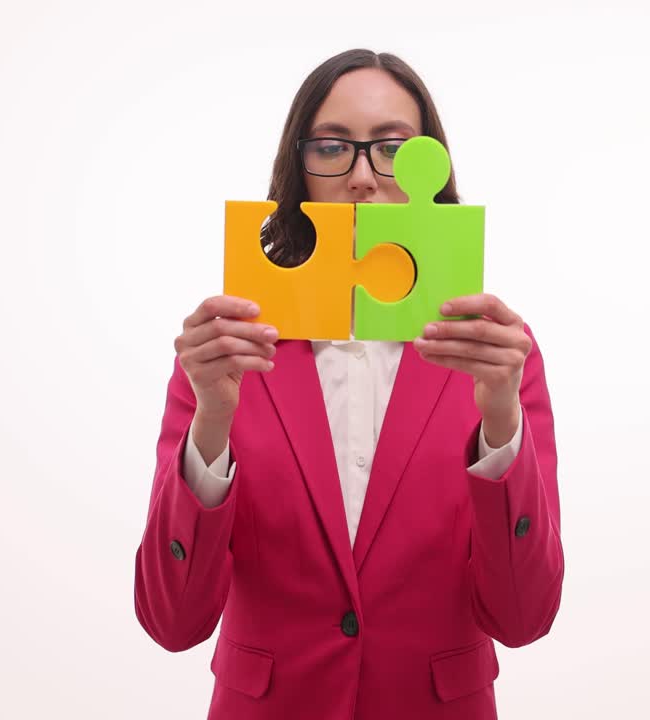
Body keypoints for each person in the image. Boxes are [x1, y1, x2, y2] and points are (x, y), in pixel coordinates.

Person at [134, 48, 564, 720]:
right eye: (333, 146)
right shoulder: (229, 349)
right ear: (296, 167)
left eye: (395, 148)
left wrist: (502, 423)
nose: (364, 177)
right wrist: (212, 423)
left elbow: (523, 616)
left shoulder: (496, 353)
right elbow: (172, 621)